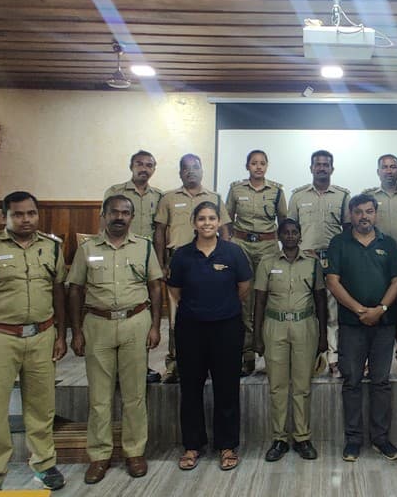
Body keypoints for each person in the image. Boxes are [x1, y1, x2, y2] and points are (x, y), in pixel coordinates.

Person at [0, 191, 67, 491]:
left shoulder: (52, 248)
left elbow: (58, 292)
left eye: (31, 213)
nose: (26, 219)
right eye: (18, 214)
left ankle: (44, 464)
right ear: (3, 217)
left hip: (42, 336)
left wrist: (61, 333)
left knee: (42, 407)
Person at [67, 195, 163, 485]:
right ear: (103, 215)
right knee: (99, 396)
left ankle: (134, 452)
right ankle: (99, 455)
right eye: (114, 212)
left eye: (125, 213)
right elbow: (74, 290)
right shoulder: (87, 249)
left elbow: (155, 287)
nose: (119, 217)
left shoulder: (145, 247)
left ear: (132, 218)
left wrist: (156, 325)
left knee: (134, 394)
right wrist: (76, 331)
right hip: (98, 324)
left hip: (136, 321)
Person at [168, 201, 253, 472]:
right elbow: (175, 291)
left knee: (226, 388)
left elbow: (243, 287)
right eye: (202, 218)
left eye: (212, 218)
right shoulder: (182, 255)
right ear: (194, 223)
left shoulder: (233, 252)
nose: (207, 223)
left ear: (219, 223)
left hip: (226, 329)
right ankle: (192, 445)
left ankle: (227, 445)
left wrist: (221, 307)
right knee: (191, 388)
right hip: (190, 329)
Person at [325, 193, 397, 463]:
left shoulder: (389, 244)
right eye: (358, 212)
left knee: (381, 382)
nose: (364, 217)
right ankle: (353, 440)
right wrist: (361, 311)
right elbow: (333, 282)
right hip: (352, 325)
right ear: (350, 214)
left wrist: (380, 309)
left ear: (376, 214)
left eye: (369, 211)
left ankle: (381, 439)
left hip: (383, 325)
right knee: (352, 382)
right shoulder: (339, 243)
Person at [253, 218, 327, 461]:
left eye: (295, 232)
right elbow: (260, 301)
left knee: (302, 386)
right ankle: (279, 439)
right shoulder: (267, 263)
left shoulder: (313, 264)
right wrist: (257, 336)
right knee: (277, 385)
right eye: (286, 232)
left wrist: (323, 336)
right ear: (279, 235)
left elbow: (320, 301)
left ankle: (303, 438)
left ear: (300, 235)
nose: (291, 236)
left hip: (304, 325)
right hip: (275, 326)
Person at [153, 154, 229, 383]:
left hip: (209, 260)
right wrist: (161, 263)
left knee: (209, 312)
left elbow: (224, 230)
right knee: (177, 317)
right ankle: (175, 363)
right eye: (185, 168)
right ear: (180, 173)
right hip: (178, 261)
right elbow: (159, 232)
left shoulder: (214, 197)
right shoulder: (168, 198)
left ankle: (207, 362)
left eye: (195, 167)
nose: (190, 172)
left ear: (202, 170)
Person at [104, 150, 164, 385]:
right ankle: (114, 366)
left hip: (145, 259)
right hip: (117, 255)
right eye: (140, 164)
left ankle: (142, 363)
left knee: (144, 313)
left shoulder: (159, 196)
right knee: (117, 308)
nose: (144, 168)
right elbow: (104, 224)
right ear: (131, 166)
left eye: (149, 165)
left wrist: (160, 261)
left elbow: (161, 230)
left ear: (153, 169)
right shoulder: (115, 192)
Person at [288, 150, 351, 375]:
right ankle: (310, 356)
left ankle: (334, 357)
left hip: (332, 260)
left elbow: (348, 231)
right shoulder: (297, 196)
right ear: (311, 168)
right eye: (318, 164)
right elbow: (290, 231)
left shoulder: (343, 196)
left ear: (332, 169)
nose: (322, 168)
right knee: (308, 309)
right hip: (306, 260)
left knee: (333, 310)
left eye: (326, 165)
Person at [227, 149, 288, 376]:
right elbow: (227, 219)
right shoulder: (236, 189)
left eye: (262, 163)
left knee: (267, 298)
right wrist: (228, 246)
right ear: (247, 166)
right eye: (254, 163)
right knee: (244, 300)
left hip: (267, 247)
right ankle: (247, 355)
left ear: (267, 166)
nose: (258, 167)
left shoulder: (276, 190)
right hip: (241, 245)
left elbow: (284, 222)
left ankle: (270, 354)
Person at [363, 154, 397, 247]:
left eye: (393, 167)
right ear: (378, 171)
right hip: (375, 253)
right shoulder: (368, 197)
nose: (389, 171)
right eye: (384, 167)